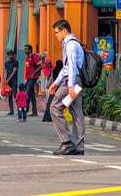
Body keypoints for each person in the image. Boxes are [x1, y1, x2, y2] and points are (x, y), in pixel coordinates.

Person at [50, 19, 86, 155]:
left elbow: (71, 67)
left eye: (57, 32)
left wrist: (70, 86)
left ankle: (66, 142)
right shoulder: (72, 43)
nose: (56, 35)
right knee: (76, 113)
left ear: (64, 31)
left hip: (71, 81)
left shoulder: (70, 45)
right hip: (75, 80)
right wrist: (56, 83)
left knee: (54, 107)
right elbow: (66, 67)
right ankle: (78, 146)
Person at [2, 47, 20, 117]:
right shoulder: (6, 63)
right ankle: (11, 111)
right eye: (9, 54)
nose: (10, 56)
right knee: (9, 96)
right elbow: (6, 72)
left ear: (13, 55)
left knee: (15, 96)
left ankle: (19, 110)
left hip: (14, 81)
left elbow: (14, 71)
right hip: (8, 82)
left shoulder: (16, 62)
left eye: (11, 54)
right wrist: (5, 80)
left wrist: (8, 79)